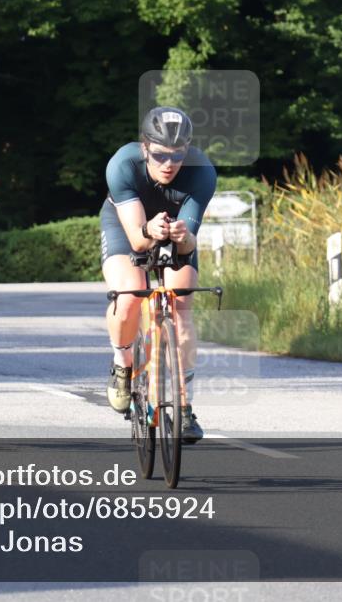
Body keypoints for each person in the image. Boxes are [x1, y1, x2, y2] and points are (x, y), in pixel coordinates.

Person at [100, 106, 216, 444]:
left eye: (178, 155)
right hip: (128, 226)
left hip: (175, 230)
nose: (169, 163)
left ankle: (184, 404)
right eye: (161, 154)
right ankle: (122, 364)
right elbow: (137, 240)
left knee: (180, 304)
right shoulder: (123, 164)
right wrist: (149, 230)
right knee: (131, 291)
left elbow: (188, 244)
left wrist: (183, 237)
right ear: (145, 147)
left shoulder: (202, 171)